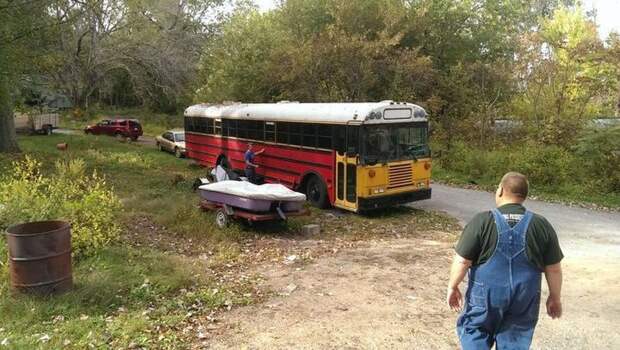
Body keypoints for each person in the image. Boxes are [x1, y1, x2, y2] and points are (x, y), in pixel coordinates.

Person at [447, 172, 564, 350]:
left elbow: (462, 261)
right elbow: (554, 268)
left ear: (500, 190)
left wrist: (452, 286)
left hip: (485, 297)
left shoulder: (482, 221)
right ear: (524, 195)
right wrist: (555, 297)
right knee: (515, 339)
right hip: (524, 296)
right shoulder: (541, 225)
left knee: (475, 331)